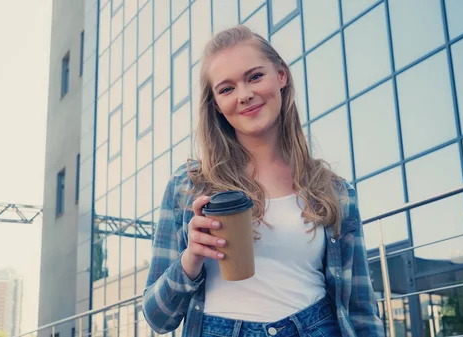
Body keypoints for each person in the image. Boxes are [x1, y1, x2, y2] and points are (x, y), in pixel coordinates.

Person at [141, 25, 384, 337]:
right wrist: (191, 259)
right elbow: (157, 319)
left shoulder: (335, 191)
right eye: (226, 89)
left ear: (281, 76)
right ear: (216, 104)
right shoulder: (188, 186)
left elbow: (360, 311)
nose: (244, 95)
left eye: (255, 76)